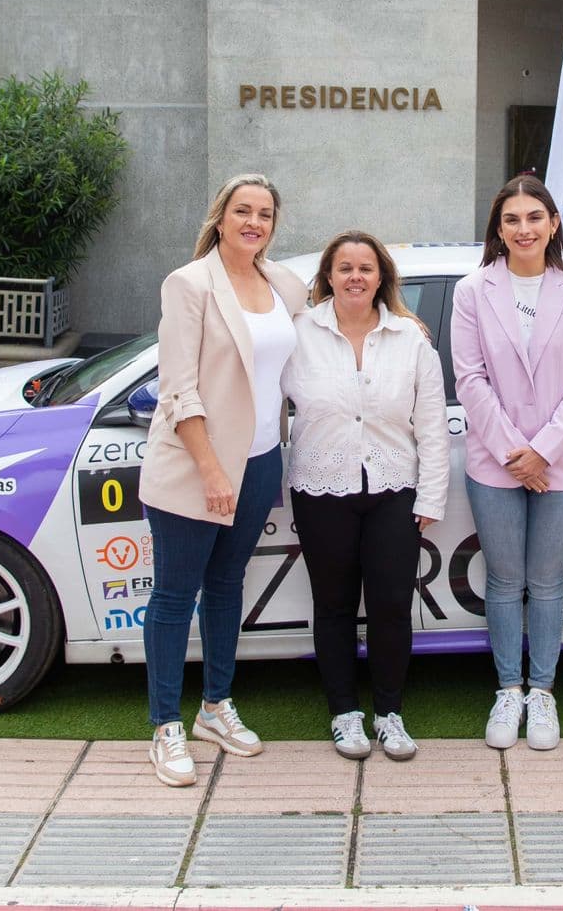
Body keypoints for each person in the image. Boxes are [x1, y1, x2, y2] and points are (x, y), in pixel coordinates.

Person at [137, 172, 307, 788]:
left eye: (265, 213)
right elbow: (177, 388)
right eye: (243, 211)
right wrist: (210, 469)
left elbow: (340, 314)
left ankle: (215, 707)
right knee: (174, 597)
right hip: (195, 464)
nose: (254, 223)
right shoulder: (189, 284)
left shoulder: (283, 283)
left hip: (261, 460)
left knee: (228, 585)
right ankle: (164, 725)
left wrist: (403, 316)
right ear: (221, 215)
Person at [282, 230, 449, 761]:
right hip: (320, 488)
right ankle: (344, 715)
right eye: (345, 267)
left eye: (366, 269)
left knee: (391, 606)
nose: (356, 277)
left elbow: (432, 429)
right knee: (332, 607)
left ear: (382, 278)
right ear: (327, 276)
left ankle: (390, 714)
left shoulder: (410, 339)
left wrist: (430, 500)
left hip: (393, 490)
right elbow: (265, 402)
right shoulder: (298, 334)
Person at [449, 174, 563, 750]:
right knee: (506, 580)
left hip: (560, 464)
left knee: (547, 580)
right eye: (511, 219)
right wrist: (518, 452)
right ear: (498, 228)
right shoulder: (473, 291)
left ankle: (543, 691)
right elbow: (470, 377)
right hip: (495, 461)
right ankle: (508, 688)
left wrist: (544, 451)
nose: (523, 229)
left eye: (534, 218)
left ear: (553, 224)